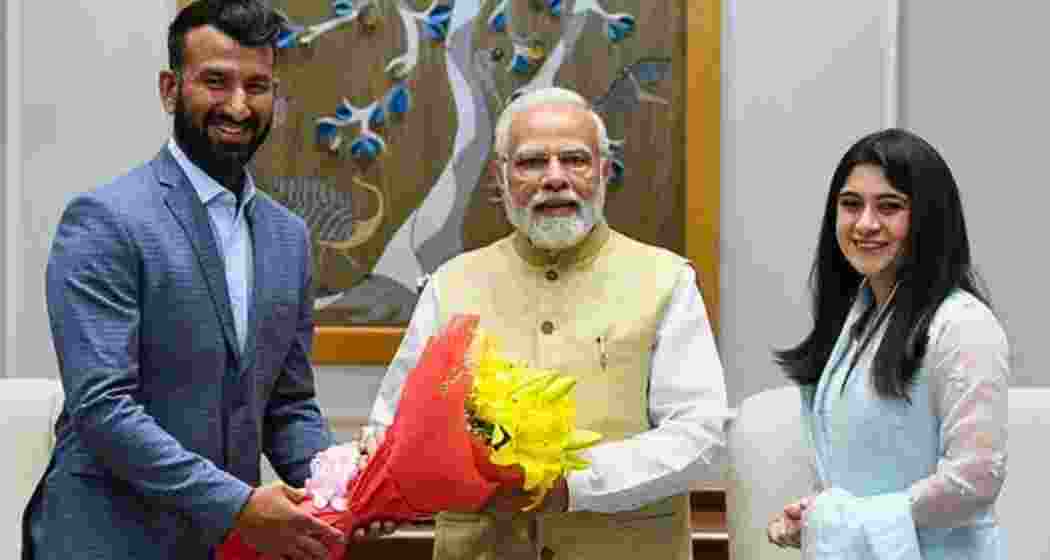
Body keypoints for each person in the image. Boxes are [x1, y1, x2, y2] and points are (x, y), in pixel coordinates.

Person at [23, 1, 348, 558]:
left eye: (258, 85)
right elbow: (105, 410)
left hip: (220, 545)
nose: (240, 106)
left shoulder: (288, 237)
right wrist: (239, 505)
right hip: (105, 541)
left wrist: (341, 488)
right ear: (171, 90)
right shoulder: (105, 220)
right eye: (216, 83)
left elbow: (288, 406)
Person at [368, 86, 730, 559]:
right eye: (532, 162)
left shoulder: (667, 282)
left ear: (603, 170)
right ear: (501, 177)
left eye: (575, 159)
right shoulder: (449, 285)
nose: (555, 178)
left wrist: (571, 485)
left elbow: (699, 435)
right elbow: (393, 427)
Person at [768, 129, 1008, 558]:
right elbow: (859, 476)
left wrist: (842, 519)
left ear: (928, 218)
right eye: (851, 204)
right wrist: (814, 516)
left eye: (890, 207)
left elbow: (975, 479)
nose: (865, 224)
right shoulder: (854, 319)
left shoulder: (963, 325)